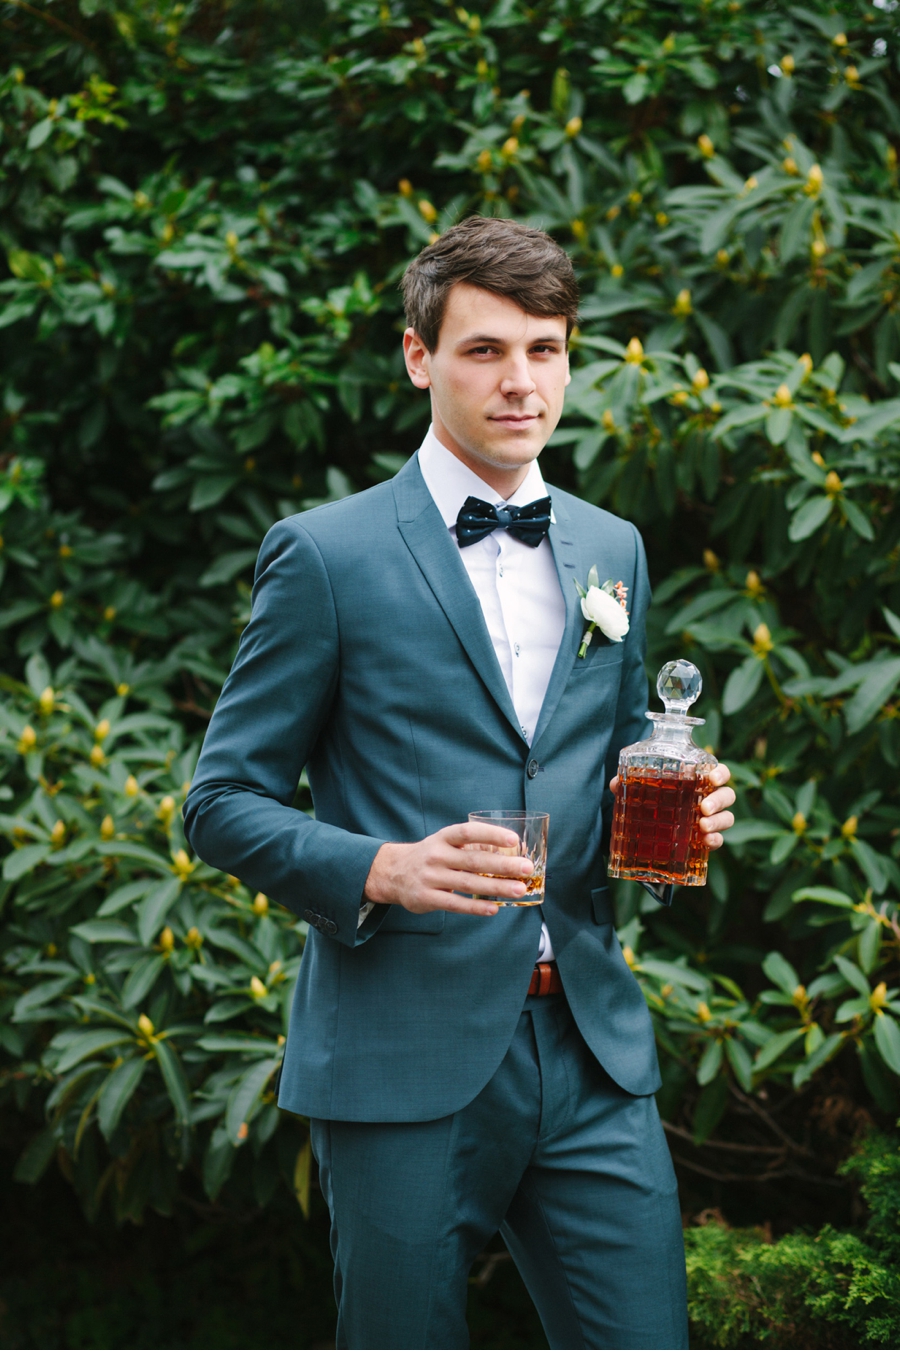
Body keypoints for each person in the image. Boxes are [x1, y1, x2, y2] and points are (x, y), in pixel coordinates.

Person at [183, 215, 736, 1350]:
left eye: (546, 349)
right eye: (486, 349)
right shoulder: (325, 554)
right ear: (417, 355)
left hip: (591, 1051)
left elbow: (621, 745)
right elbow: (221, 801)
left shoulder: (610, 547)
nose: (522, 381)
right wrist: (380, 867)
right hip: (399, 1057)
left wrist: (677, 798)